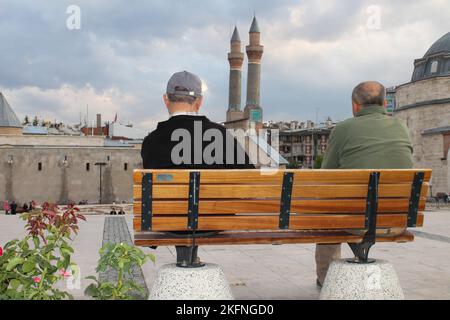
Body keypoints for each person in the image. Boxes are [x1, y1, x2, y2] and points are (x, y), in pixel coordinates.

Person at [316, 81, 413, 287]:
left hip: (354, 222)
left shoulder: (343, 129)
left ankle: (325, 280)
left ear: (355, 106)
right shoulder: (401, 126)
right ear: (385, 104)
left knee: (328, 220)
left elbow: (326, 175)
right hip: (395, 222)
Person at [141, 71, 255, 169]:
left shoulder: (150, 143)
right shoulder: (220, 136)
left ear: (166, 100)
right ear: (199, 102)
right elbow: (250, 177)